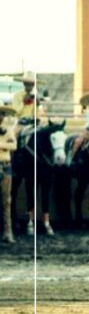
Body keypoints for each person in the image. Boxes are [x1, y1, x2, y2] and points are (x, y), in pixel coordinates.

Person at [0, 104, 17, 243]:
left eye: (2, 114)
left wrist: (1, 145)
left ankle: (8, 232)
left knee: (6, 200)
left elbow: (14, 146)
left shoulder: (8, 130)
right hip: (4, 164)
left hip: (5, 165)